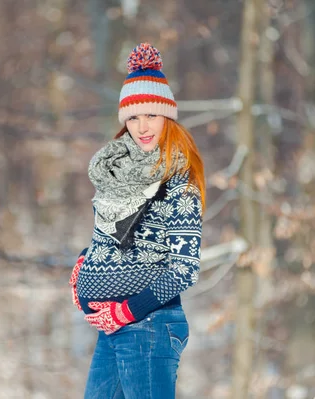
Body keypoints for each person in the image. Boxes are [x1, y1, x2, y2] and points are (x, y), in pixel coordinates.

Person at [68, 42, 206, 399]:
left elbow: (184, 270)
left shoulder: (179, 182)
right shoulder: (118, 174)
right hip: (111, 330)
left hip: (150, 325)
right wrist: (85, 263)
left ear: (167, 117)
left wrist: (126, 311)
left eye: (151, 115)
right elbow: (112, 240)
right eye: (132, 117)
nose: (142, 127)